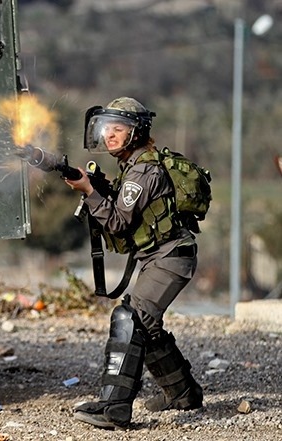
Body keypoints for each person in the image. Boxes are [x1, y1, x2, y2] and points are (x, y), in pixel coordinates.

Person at [64, 97, 203, 429]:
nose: (109, 136)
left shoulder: (143, 169)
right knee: (147, 325)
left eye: (118, 129)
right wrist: (95, 188)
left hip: (170, 258)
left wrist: (88, 191)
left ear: (136, 133)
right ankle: (183, 394)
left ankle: (114, 407)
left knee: (130, 319)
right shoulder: (133, 166)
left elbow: (117, 223)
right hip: (162, 257)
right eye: (106, 129)